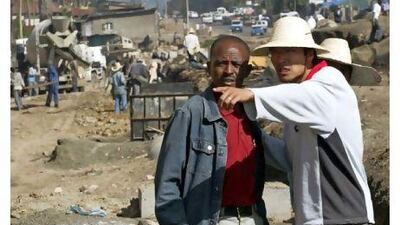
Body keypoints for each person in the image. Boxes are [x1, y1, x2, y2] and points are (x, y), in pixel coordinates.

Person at [214, 17, 375, 225]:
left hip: (345, 215)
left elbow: (302, 95)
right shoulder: (298, 105)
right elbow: (291, 159)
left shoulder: (329, 82)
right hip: (315, 218)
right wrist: (252, 133)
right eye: (276, 53)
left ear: (310, 55)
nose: (281, 59)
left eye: (290, 51)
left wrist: (250, 94)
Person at [155, 35, 274, 225]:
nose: (228, 71)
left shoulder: (252, 116)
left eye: (236, 64)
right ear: (209, 67)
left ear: (247, 70)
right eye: (221, 64)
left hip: (252, 217)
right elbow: (167, 184)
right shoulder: (190, 114)